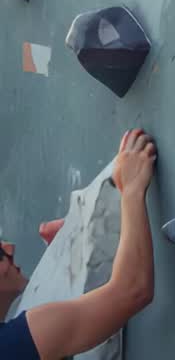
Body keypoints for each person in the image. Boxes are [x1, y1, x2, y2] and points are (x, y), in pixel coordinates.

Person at [0, 130, 156, 359]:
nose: (10, 248)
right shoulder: (11, 346)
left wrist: (62, 258)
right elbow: (132, 291)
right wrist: (132, 189)